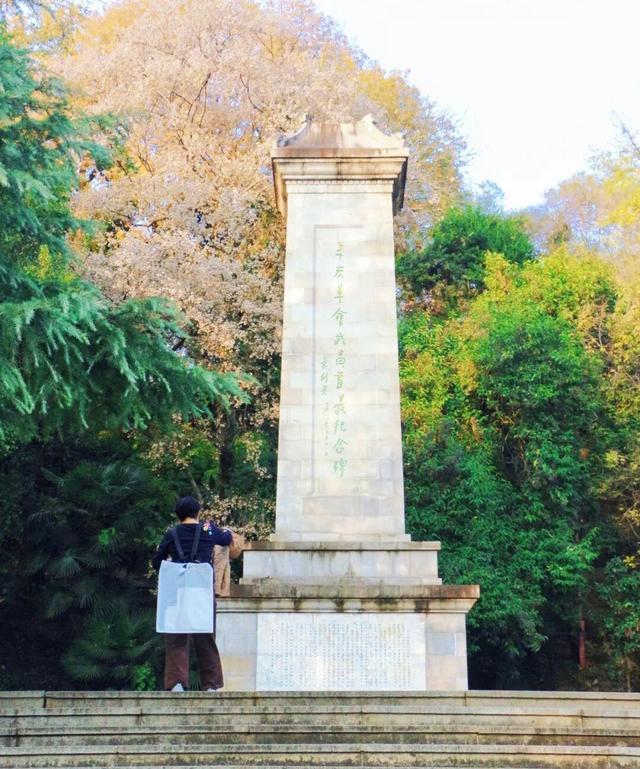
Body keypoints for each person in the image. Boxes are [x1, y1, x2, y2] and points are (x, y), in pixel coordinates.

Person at [152, 496, 232, 692]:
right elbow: (225, 539)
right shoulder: (208, 529)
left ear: (178, 515)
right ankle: (211, 684)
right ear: (198, 512)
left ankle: (177, 683)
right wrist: (227, 531)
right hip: (201, 590)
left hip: (177, 590)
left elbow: (157, 561)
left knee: (176, 635)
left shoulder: (172, 533)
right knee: (205, 635)